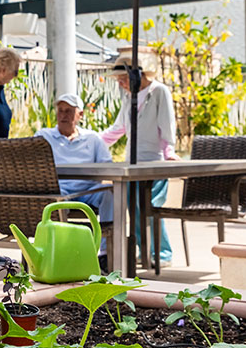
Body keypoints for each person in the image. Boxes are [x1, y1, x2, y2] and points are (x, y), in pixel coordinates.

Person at [100, 55, 180, 266]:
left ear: (137, 75)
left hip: (154, 162)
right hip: (131, 163)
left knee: (149, 206)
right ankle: (142, 251)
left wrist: (169, 152)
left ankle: (162, 254)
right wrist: (93, 142)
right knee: (132, 207)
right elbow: (118, 129)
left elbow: (167, 126)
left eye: (123, 78)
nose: (120, 83)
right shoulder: (129, 97)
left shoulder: (159, 92)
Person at [36, 92, 113, 222]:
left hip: (88, 191)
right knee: (54, 197)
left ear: (80, 115)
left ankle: (108, 241)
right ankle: (60, 240)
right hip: (59, 189)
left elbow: (108, 168)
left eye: (68, 111)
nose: (63, 115)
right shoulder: (43, 136)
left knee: (110, 193)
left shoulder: (93, 138)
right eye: (60, 111)